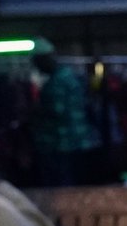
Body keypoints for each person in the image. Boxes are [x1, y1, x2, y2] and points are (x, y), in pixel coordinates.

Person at [30, 53, 97, 187]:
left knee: (63, 183)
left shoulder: (56, 82)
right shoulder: (70, 77)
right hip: (76, 139)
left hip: (62, 141)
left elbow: (56, 110)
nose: (38, 69)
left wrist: (36, 112)